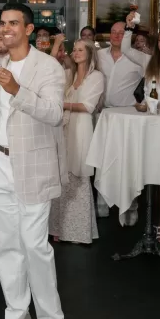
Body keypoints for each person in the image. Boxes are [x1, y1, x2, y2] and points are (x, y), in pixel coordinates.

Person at [0, 3, 66, 319]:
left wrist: (16, 89)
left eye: (14, 23)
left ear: (29, 29)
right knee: (7, 244)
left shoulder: (48, 67)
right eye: (2, 24)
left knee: (35, 245)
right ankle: (17, 314)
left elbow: (55, 114)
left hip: (34, 166)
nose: (7, 29)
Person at [123, 15, 160, 243]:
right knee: (150, 172)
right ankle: (146, 215)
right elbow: (126, 49)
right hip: (150, 124)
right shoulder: (150, 62)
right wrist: (129, 26)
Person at [49, 39, 104, 244]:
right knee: (62, 176)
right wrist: (56, 48)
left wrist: (60, 104)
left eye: (81, 50)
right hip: (63, 130)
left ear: (90, 53)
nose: (76, 52)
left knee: (79, 177)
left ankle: (78, 232)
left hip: (81, 130)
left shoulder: (96, 77)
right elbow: (51, 69)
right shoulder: (68, 74)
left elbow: (88, 106)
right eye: (75, 49)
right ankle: (58, 227)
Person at [95, 21, 143, 219]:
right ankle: (102, 202)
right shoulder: (98, 56)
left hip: (127, 117)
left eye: (121, 33)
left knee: (128, 162)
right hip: (101, 114)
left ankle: (131, 205)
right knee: (101, 160)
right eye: (113, 32)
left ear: (128, 36)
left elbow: (154, 81)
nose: (116, 36)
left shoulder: (138, 59)